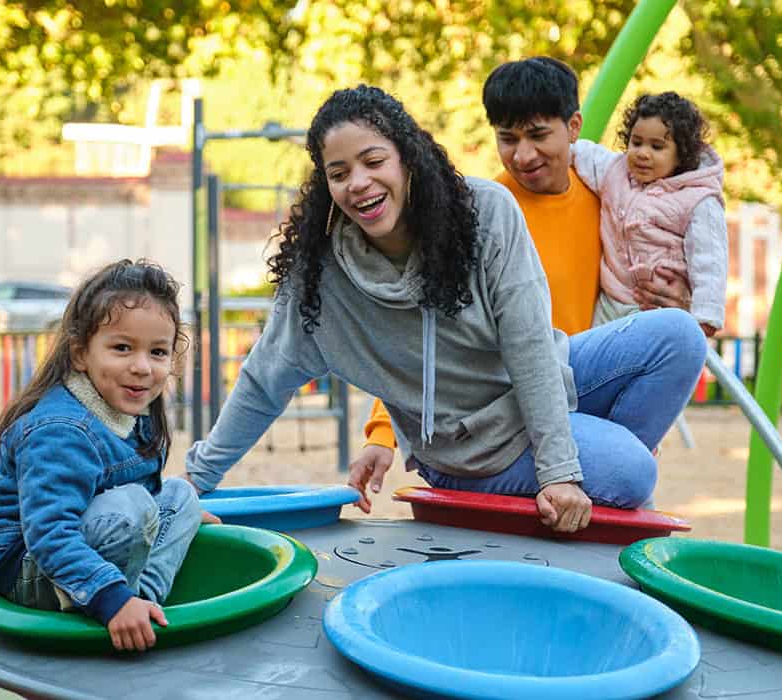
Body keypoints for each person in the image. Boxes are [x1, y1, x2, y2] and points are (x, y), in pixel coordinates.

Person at [184, 85, 706, 537]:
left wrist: (559, 471)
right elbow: (261, 382)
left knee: (679, 338)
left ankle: (580, 498)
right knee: (633, 471)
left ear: (407, 159)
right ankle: (594, 487)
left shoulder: (484, 214)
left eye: (373, 161)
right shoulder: (321, 281)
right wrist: (195, 480)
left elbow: (529, 347)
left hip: (536, 384)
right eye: (338, 173)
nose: (358, 183)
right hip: (467, 447)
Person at [355, 58, 699, 518]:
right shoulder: (478, 214)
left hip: (575, 384)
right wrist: (382, 433)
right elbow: (420, 333)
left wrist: (673, 294)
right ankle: (597, 478)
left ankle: (597, 480)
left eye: (538, 135)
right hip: (500, 404)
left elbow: (650, 271)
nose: (523, 155)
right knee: (631, 471)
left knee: (680, 335)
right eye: (508, 138)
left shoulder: (607, 199)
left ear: (573, 126)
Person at [0, 259, 206, 653]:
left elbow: (152, 492)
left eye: (158, 352)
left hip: (95, 535)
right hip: (30, 567)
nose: (141, 367)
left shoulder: (135, 408)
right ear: (80, 354)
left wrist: (183, 515)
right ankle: (112, 600)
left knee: (183, 496)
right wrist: (108, 598)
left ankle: (141, 601)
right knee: (131, 506)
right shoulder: (61, 431)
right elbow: (48, 533)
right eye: (121, 348)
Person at [571, 91, 727, 337]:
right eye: (636, 142)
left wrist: (705, 315)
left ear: (682, 153)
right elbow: (582, 153)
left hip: (656, 307)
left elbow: (709, 260)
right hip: (611, 299)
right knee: (594, 358)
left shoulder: (697, 198)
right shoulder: (616, 173)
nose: (643, 153)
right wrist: (558, 148)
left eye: (657, 146)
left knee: (644, 360)